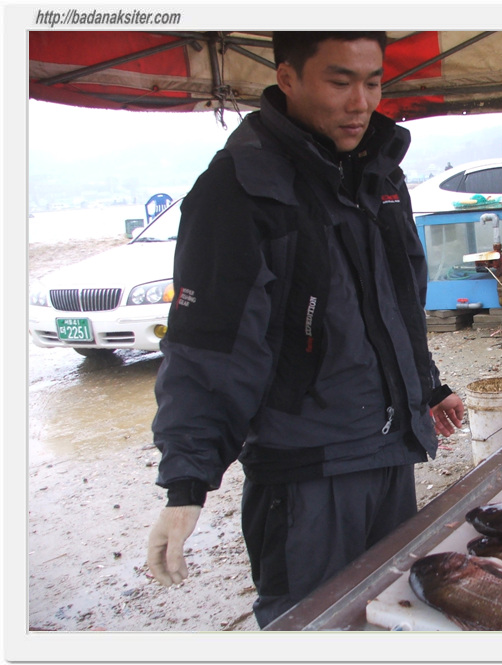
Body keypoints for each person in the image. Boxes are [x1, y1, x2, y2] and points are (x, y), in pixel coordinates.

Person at [146, 31, 465, 629]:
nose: (360, 103)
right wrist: (187, 483)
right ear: (288, 78)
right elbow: (210, 346)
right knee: (312, 628)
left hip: (389, 451)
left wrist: (426, 385)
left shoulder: (379, 172)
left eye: (373, 83)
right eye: (340, 82)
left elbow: (394, 302)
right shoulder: (242, 187)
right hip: (306, 472)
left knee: (393, 615)